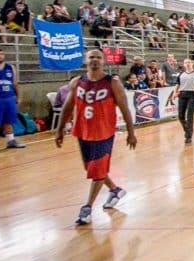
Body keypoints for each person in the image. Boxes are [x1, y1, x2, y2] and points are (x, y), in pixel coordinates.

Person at [56, 48, 137, 226]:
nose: (95, 60)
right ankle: (115, 190)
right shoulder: (77, 82)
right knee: (92, 170)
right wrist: (60, 129)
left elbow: (124, 107)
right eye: (91, 57)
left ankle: (87, 208)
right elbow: (68, 107)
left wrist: (131, 132)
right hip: (82, 131)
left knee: (97, 171)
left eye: (98, 57)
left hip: (104, 133)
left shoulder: (112, 83)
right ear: (85, 60)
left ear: (104, 61)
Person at [173, 58, 194, 144]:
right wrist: (174, 93)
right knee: (180, 116)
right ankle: (187, 130)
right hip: (182, 95)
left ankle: (188, 136)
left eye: (189, 62)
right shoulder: (181, 74)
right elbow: (177, 85)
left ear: (192, 64)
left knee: (190, 115)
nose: (187, 64)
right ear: (183, 64)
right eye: (186, 62)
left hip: (193, 95)